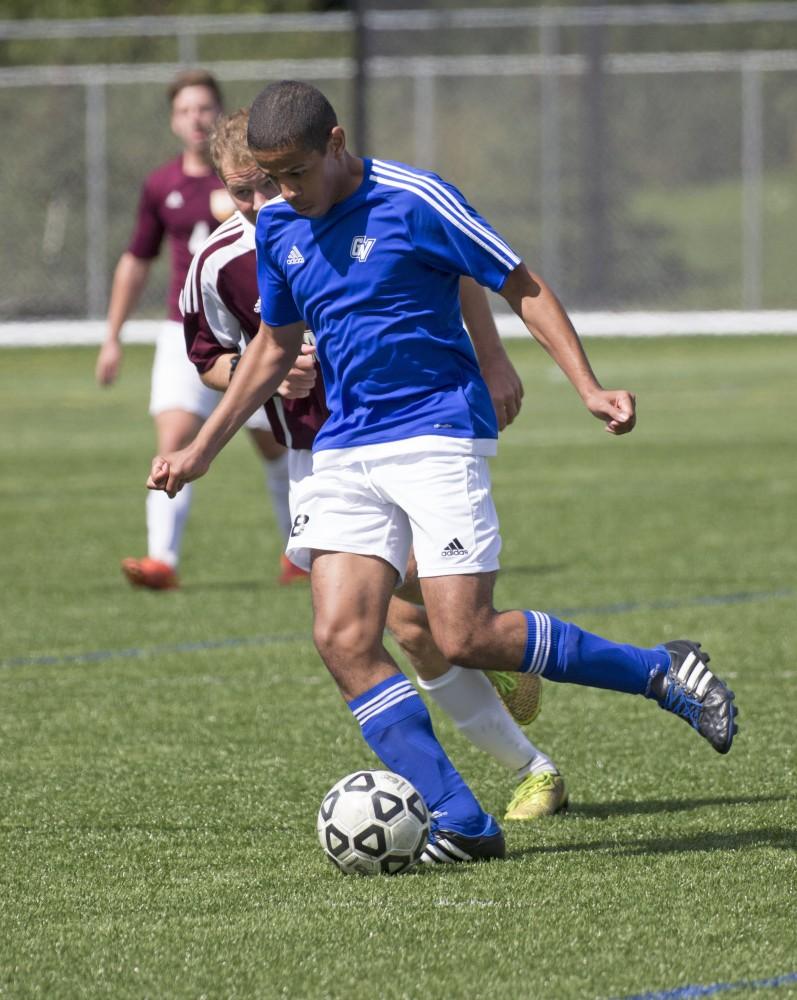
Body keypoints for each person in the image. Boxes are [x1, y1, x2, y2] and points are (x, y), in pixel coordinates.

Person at [148, 81, 738, 865]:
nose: (282, 194)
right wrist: (203, 447)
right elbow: (270, 346)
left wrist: (587, 386)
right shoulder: (281, 226)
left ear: (335, 143)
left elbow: (518, 284)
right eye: (267, 178)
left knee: (464, 635)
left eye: (293, 173)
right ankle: (463, 819)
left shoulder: (416, 198)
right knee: (342, 636)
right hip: (345, 446)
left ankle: (662, 672)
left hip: (434, 432)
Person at [181, 108, 566, 821]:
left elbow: (455, 271)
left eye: (271, 184)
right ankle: (529, 770)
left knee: (438, 615)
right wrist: (254, 372)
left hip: (412, 431)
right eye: (244, 191)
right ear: (226, 190)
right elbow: (211, 361)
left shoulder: (345, 206)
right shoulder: (220, 261)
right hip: (318, 453)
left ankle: (494, 656)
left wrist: (490, 356)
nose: (262, 202)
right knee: (405, 630)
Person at [95, 69, 302, 590]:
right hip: (188, 332)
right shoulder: (163, 186)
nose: (196, 118)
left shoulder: (266, 182)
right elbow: (136, 261)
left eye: (205, 108)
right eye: (186, 110)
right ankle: (161, 558)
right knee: (175, 435)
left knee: (276, 445)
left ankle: (296, 553)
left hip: (270, 329)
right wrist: (112, 335)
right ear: (174, 120)